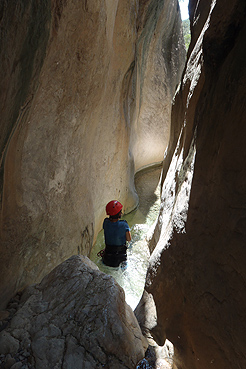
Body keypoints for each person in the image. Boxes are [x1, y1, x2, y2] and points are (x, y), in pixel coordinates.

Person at [102, 200, 131, 267]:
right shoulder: (124, 224)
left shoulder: (105, 222)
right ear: (119, 214)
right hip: (121, 259)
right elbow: (129, 239)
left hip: (107, 258)